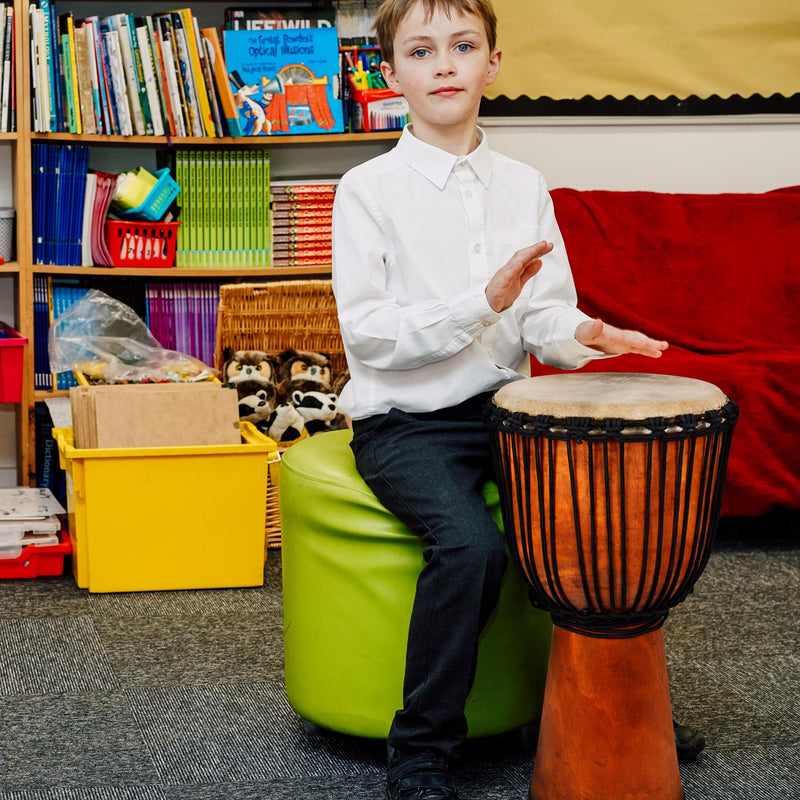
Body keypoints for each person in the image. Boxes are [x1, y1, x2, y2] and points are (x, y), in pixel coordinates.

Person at [331, 2, 704, 797]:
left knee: (601, 516)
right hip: (405, 422)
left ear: (492, 64)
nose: (444, 65)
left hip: (506, 409)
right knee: (472, 547)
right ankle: (422, 750)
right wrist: (482, 299)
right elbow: (370, 335)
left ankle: (615, 700)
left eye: (463, 47)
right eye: (421, 51)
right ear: (390, 74)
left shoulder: (525, 185)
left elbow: (544, 312)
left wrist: (590, 333)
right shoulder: (366, 190)